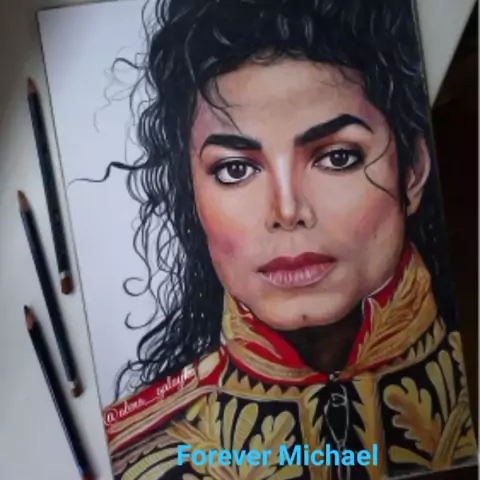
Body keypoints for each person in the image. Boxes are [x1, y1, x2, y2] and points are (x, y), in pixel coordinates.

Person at [102, 0, 477, 478]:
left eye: (337, 157)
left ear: (413, 171)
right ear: (191, 195)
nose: (286, 211)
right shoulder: (136, 457)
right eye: (235, 169)